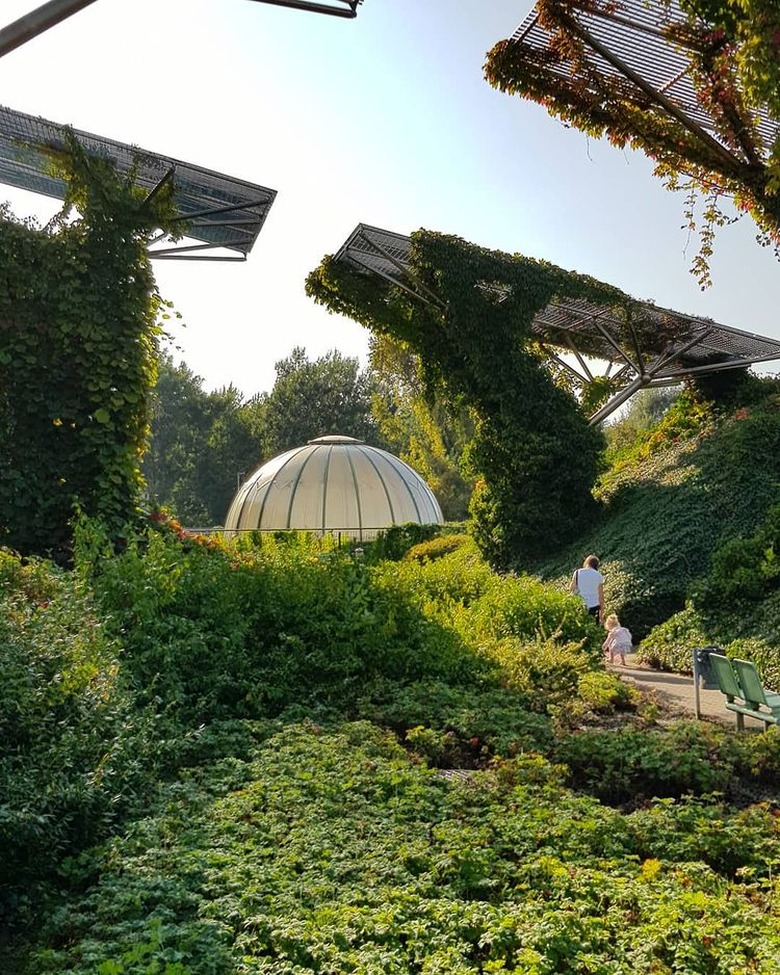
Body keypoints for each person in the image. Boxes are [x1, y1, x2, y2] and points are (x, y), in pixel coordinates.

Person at [570, 554, 604, 623]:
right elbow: (601, 595)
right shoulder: (598, 575)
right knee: (594, 629)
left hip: (581, 605)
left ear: (586, 562)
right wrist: (602, 612)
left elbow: (571, 588)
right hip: (595, 605)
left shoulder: (577, 572)